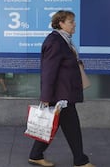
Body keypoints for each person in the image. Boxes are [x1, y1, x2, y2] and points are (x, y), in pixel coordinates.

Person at [28, 10, 95, 167]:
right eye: (71, 22)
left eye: (74, 21)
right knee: (70, 127)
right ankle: (80, 160)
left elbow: (64, 64)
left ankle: (36, 155)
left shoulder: (64, 40)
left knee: (54, 124)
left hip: (64, 93)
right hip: (60, 95)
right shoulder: (55, 41)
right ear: (60, 23)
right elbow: (49, 71)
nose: (74, 24)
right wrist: (45, 97)